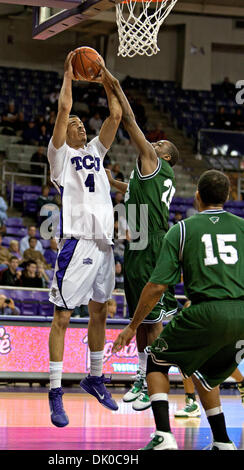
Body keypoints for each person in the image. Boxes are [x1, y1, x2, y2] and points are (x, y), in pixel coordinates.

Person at [113, 169, 244, 450]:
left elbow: (157, 286)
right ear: (230, 196)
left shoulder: (182, 229)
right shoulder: (242, 227)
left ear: (197, 198)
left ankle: (163, 435)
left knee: (155, 360)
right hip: (241, 314)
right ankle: (222, 441)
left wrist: (133, 326)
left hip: (206, 311)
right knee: (205, 374)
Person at [47, 51, 122, 428]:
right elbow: (63, 110)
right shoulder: (60, 157)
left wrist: (106, 76)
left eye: (80, 122)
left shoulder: (95, 150)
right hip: (76, 242)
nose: (77, 123)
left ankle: (94, 377)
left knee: (100, 312)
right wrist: (68, 75)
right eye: (73, 123)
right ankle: (55, 392)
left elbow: (117, 117)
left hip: (104, 244)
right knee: (63, 317)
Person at [102, 64, 179, 412]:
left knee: (154, 320)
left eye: (158, 143)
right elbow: (128, 189)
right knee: (143, 317)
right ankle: (141, 376)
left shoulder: (153, 161)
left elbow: (130, 122)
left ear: (163, 156)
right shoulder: (144, 176)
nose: (153, 141)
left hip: (151, 242)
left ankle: (156, 379)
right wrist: (106, 178)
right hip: (138, 242)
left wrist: (114, 84)